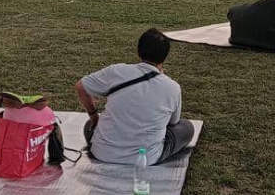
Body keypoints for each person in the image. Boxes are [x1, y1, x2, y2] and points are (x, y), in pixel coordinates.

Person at [75, 28, 193, 166]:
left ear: (138, 52)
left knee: (90, 125)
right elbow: (173, 122)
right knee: (187, 127)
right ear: (165, 57)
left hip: (101, 152)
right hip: (146, 158)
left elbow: (81, 87)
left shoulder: (116, 71)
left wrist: (93, 115)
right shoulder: (172, 87)